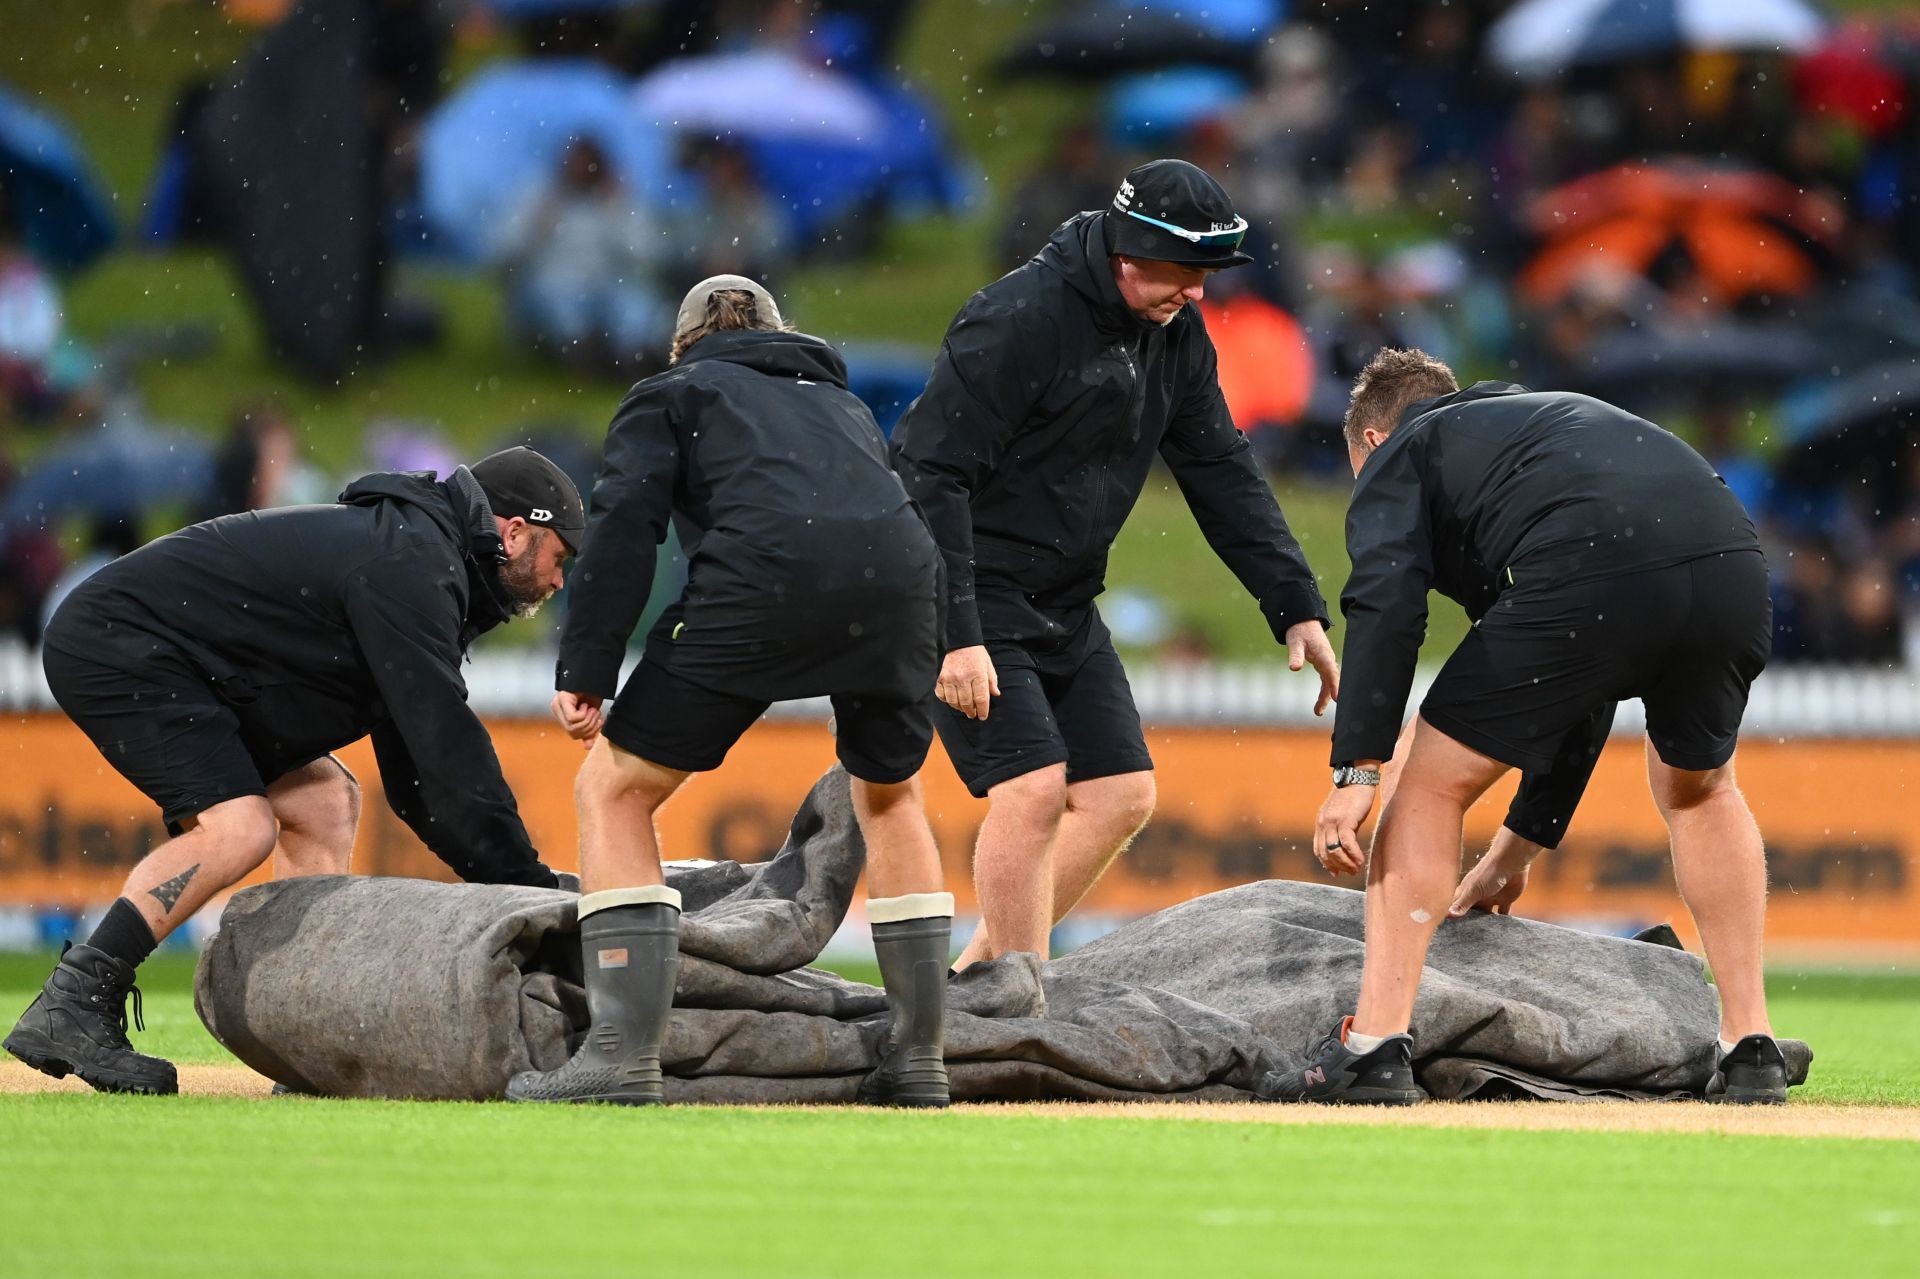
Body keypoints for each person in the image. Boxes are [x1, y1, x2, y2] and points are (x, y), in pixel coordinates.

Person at [1277, 348, 1787, 1106]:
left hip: (1598, 564)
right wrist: (1519, 849)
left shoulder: (1399, 453)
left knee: (1430, 788)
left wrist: (1358, 769)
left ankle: (1374, 1046)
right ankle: (1750, 1047)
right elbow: (1583, 684)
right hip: (1733, 564)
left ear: (1372, 442)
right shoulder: (1539, 423)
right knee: (1701, 792)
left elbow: (1386, 608)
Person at [4, 448, 586, 1097]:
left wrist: (512, 883)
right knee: (241, 826)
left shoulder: (420, 556)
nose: (559, 580)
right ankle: (74, 1000)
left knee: (325, 801)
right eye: (558, 557)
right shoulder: (412, 564)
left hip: (165, 652)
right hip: (119, 641)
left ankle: (300, 1038)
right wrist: (530, 890)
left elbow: (419, 772)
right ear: (513, 532)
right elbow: (446, 747)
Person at [512, 275, 952, 1108]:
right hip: (897, 583)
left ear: (683, 344)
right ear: (782, 333)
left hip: (765, 578)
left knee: (613, 791)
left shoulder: (671, 392)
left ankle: (619, 1054)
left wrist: (587, 668)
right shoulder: (842, 405)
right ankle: (918, 1055)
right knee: (891, 796)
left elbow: (622, 528)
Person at [890, 159, 1338, 969]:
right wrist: (956, 632)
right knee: (1029, 789)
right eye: (1187, 273)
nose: (1200, 294)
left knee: (1120, 796)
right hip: (968, 592)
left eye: (1210, 275)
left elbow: (1222, 470)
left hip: (1064, 599)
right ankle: (1020, 1007)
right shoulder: (1016, 320)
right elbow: (928, 475)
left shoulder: (1174, 335)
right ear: (1131, 253)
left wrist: (1294, 601)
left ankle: (983, 978)